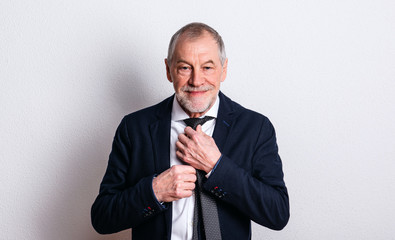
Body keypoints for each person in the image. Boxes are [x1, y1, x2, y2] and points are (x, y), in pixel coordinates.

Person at [91, 22, 289, 240]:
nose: (196, 81)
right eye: (185, 67)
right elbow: (102, 217)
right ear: (168, 70)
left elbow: (277, 213)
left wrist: (217, 167)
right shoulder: (134, 128)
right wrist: (154, 191)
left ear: (223, 69)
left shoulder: (256, 128)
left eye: (207, 67)